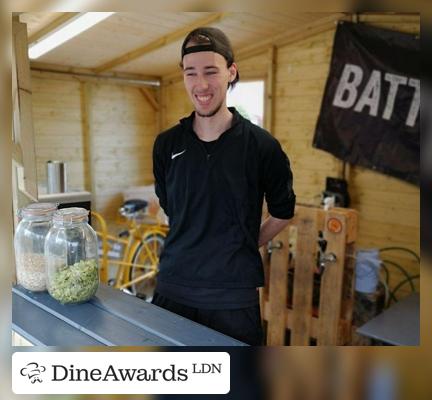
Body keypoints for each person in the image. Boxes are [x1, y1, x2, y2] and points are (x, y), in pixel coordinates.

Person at [151, 27, 296, 345]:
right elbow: (171, 207)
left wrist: (244, 242)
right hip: (173, 289)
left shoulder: (262, 147)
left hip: (233, 299)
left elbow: (283, 212)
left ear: (231, 72)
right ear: (183, 76)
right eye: (191, 73)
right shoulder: (166, 145)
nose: (201, 85)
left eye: (211, 71)